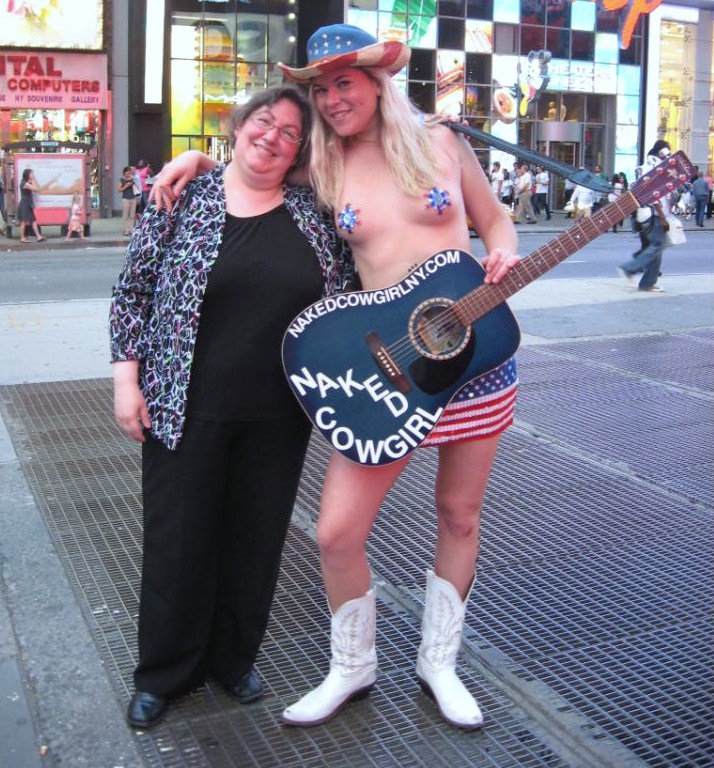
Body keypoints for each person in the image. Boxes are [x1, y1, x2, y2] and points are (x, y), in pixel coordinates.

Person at [152, 23, 520, 732]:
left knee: (459, 514)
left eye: (340, 83)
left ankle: (438, 663)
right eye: (319, 88)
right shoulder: (322, 164)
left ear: (375, 81)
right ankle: (354, 667)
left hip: (473, 361)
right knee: (335, 532)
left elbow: (497, 222)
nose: (329, 99)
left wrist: (501, 256)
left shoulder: (443, 145)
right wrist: (199, 157)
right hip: (388, 373)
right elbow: (252, 167)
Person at [109, 85, 355, 730]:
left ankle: (232, 659)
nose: (272, 138)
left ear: (300, 151)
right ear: (237, 126)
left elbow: (349, 296)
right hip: (180, 404)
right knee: (178, 542)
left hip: (279, 414)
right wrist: (125, 384)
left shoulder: (313, 212)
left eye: (289, 134)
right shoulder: (182, 198)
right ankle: (164, 673)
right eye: (263, 124)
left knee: (255, 542)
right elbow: (131, 294)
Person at [617, 139, 672, 293]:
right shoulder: (657, 168)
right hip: (653, 214)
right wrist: (662, 216)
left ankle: (647, 282)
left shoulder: (644, 167)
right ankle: (630, 268)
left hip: (643, 214)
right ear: (662, 152)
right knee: (658, 245)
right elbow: (655, 194)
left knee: (655, 247)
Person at [17, 168, 47, 243]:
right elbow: (36, 189)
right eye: (31, 174)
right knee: (24, 221)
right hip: (25, 204)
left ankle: (38, 236)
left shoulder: (26, 182)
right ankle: (22, 238)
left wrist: (31, 182)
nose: (32, 175)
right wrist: (33, 181)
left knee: (33, 220)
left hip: (27, 203)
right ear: (27, 175)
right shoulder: (25, 183)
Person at [118, 166, 138, 236]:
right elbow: (119, 190)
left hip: (133, 198)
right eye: (127, 173)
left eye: (130, 173)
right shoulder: (121, 180)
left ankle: (131, 229)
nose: (128, 174)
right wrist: (126, 186)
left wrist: (133, 181)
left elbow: (138, 187)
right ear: (124, 173)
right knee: (125, 215)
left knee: (132, 215)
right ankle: (126, 230)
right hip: (125, 199)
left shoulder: (132, 179)